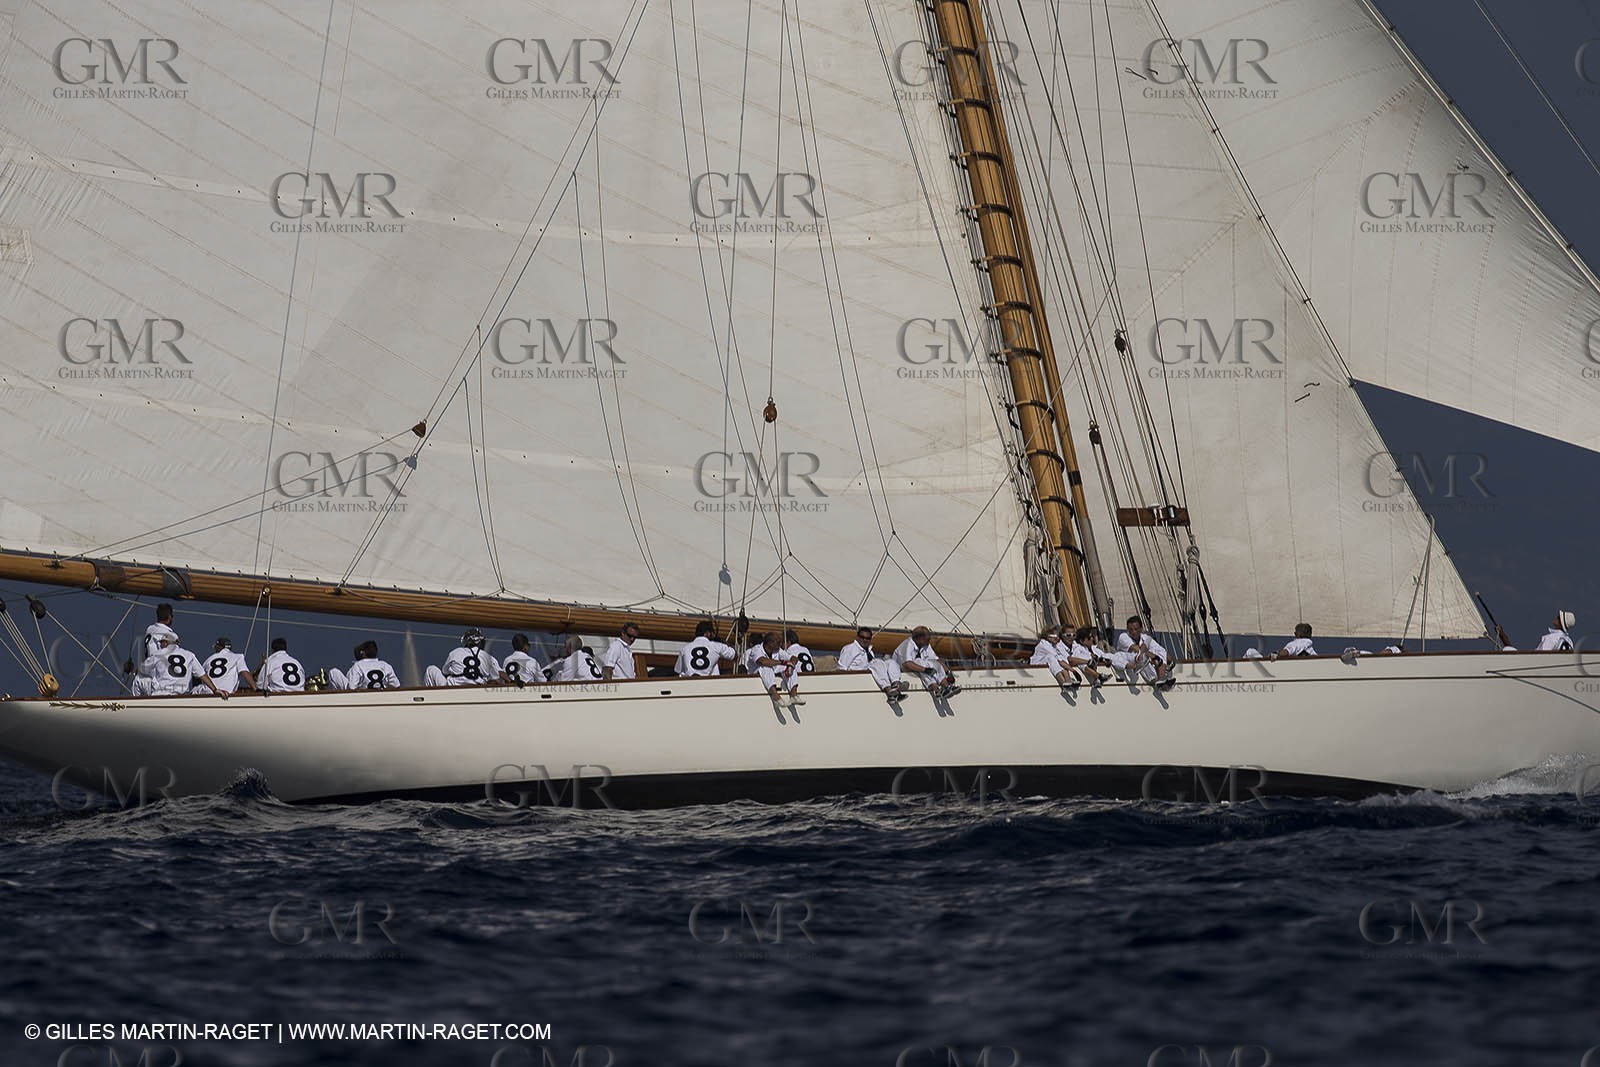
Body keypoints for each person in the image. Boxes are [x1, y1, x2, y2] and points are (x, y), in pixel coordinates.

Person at [134, 632, 227, 698]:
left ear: (166, 642)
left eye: (162, 642)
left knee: (138, 680)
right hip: (181, 695)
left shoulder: (158, 654)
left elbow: (141, 670)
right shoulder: (189, 655)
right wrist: (215, 690)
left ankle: (135, 706)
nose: (160, 645)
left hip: (162, 694)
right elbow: (202, 675)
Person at [838, 626, 907, 703]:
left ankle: (896, 684)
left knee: (890, 662)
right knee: (877, 662)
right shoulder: (850, 649)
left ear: (870, 639)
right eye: (862, 637)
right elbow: (842, 668)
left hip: (869, 670)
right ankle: (888, 689)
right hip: (858, 676)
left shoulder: (869, 650)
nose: (864, 640)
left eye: (867, 638)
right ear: (857, 637)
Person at [894, 626, 960, 697]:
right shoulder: (907, 645)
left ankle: (946, 686)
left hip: (918, 668)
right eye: (928, 639)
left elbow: (935, 659)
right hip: (903, 669)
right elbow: (908, 664)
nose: (929, 641)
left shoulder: (925, 644)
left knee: (933, 663)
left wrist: (948, 672)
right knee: (920, 662)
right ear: (919, 638)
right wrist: (925, 670)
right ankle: (936, 688)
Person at [425, 627, 502, 686]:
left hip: (453, 689)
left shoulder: (456, 652)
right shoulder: (488, 657)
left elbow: (445, 671)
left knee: (431, 669)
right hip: (477, 690)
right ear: (480, 642)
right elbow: (498, 675)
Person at [1116, 616, 1175, 689]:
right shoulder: (1123, 637)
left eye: (1136, 629)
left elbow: (1161, 650)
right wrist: (1153, 656)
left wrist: (1163, 662)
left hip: (1140, 665)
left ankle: (1162, 678)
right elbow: (1137, 649)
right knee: (1143, 656)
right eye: (1130, 629)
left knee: (1161, 654)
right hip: (1128, 664)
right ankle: (1156, 680)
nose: (1133, 632)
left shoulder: (1146, 638)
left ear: (1141, 629)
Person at [746, 632, 800, 706]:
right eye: (778, 642)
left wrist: (791, 665)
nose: (780, 644)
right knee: (766, 667)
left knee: (789, 667)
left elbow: (793, 658)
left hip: (771, 672)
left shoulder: (777, 650)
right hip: (755, 674)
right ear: (770, 643)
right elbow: (763, 661)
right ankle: (776, 697)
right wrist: (783, 662)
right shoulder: (756, 649)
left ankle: (793, 695)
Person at [330, 640, 401, 690]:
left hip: (361, 698)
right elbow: (397, 686)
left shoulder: (358, 665)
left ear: (363, 653)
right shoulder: (385, 665)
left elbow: (351, 687)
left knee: (333, 672)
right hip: (381, 697)